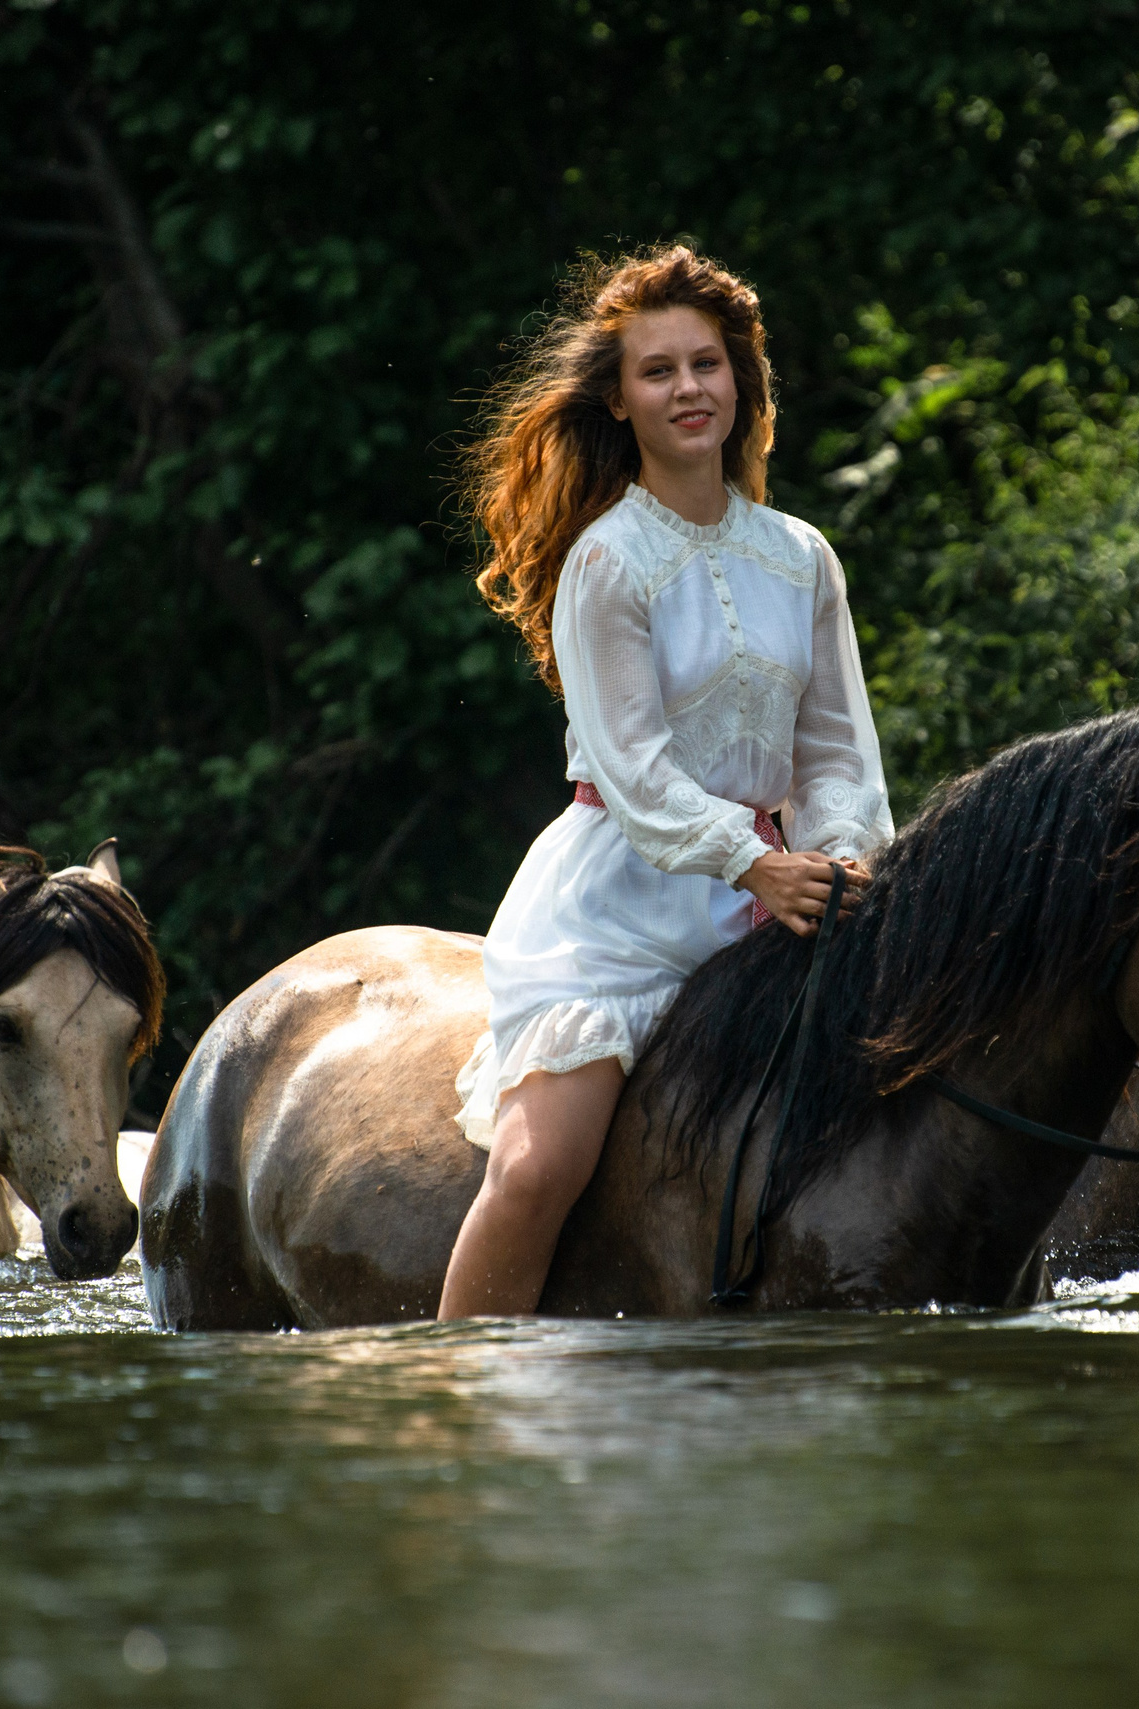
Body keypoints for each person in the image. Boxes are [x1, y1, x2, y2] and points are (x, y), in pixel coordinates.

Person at [439, 245, 893, 1318]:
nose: (689, 389)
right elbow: (633, 773)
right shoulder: (605, 562)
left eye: (706, 364)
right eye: (659, 371)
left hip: (785, 897)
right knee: (539, 1166)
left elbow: (836, 748)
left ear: (740, 381)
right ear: (620, 398)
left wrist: (839, 855)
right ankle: (461, 1375)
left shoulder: (803, 557)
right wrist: (750, 860)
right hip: (620, 912)